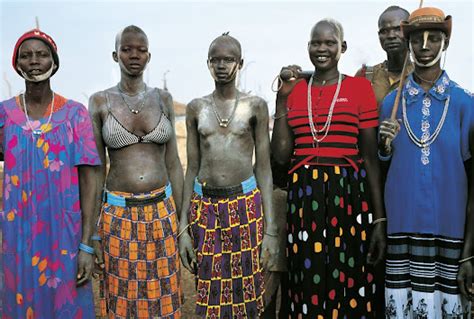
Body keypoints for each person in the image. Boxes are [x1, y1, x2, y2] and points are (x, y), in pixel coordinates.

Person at [271, 19, 386, 318]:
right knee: (306, 278)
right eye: (315, 43)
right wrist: (281, 98)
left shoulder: (359, 89)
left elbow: (371, 159)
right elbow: (281, 157)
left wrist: (379, 219)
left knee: (350, 276)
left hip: (348, 195)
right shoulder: (294, 92)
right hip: (305, 196)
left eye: (329, 42)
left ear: (342, 47)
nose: (322, 48)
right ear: (308, 47)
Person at [379, 7, 473, 317]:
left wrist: (469, 254)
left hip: (451, 234)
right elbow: (381, 172)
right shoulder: (391, 105)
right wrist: (385, 146)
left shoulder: (464, 103)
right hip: (402, 232)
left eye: (434, 38)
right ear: (408, 45)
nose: (424, 45)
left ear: (445, 44)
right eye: (417, 38)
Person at [0, 29, 100, 318]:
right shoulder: (5, 116)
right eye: (26, 55)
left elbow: (90, 180)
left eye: (42, 54)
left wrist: (86, 245)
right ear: (16, 63)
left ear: (54, 60)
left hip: (65, 237)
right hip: (18, 236)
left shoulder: (75, 115)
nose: (34, 61)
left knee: (67, 306)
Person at [178, 33, 278, 318]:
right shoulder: (197, 108)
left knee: (247, 288)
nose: (222, 65)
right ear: (208, 64)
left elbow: (264, 169)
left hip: (246, 206)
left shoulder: (255, 105)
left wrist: (270, 229)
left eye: (229, 59)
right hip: (205, 208)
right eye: (216, 60)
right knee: (209, 289)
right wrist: (184, 227)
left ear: (240, 63)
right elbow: (192, 168)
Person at [89, 25, 184, 318]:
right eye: (127, 49)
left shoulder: (162, 99)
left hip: (161, 211)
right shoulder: (100, 101)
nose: (134, 55)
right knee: (122, 302)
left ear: (149, 56)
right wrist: (92, 232)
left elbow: (173, 164)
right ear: (115, 55)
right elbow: (94, 170)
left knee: (164, 299)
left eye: (141, 50)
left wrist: (182, 223)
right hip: (118, 214)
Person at [356, 6, 413, 108]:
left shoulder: (422, 76)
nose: (391, 36)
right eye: (384, 31)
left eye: (398, 29)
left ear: (410, 32)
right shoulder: (365, 76)